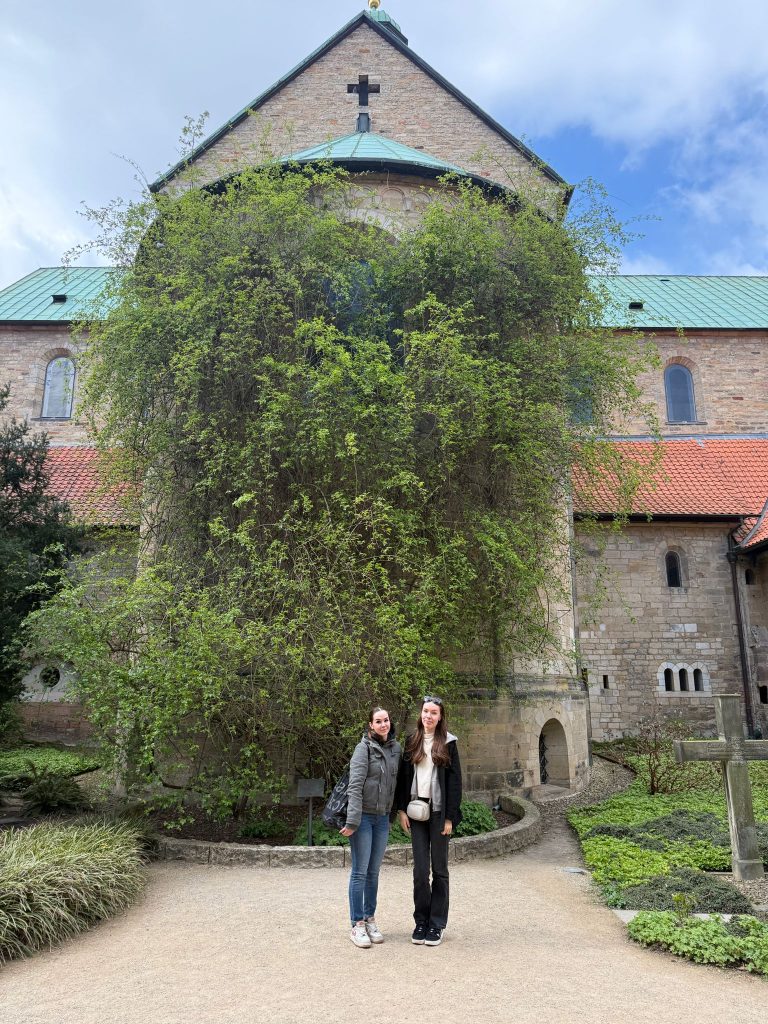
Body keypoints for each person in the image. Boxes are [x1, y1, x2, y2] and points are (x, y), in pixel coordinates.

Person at [396, 696, 462, 947]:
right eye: (425, 711)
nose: (428, 716)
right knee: (421, 871)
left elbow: (455, 783)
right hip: (416, 811)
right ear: (420, 713)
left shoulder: (449, 743)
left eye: (434, 712)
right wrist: (402, 810)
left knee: (440, 870)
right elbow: (403, 778)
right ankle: (421, 921)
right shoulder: (411, 741)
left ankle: (437, 924)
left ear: (440, 716)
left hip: (439, 813)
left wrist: (449, 817)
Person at [340, 707, 401, 948]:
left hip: (382, 818)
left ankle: (369, 918)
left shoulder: (395, 749)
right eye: (378, 721)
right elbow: (354, 787)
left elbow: (396, 785)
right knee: (360, 872)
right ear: (371, 725)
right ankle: (357, 924)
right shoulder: (363, 748)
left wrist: (392, 814)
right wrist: (352, 821)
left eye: (386, 720)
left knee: (374, 872)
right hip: (363, 818)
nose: (383, 724)